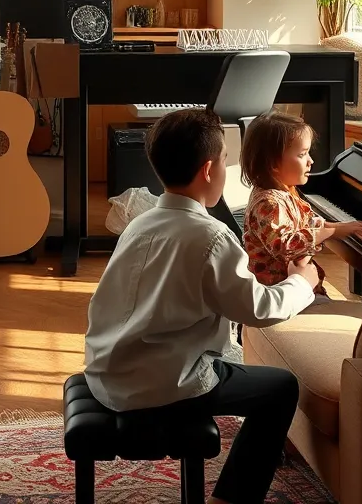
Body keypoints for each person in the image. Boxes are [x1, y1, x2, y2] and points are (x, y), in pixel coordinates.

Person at [84, 108, 319, 504]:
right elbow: (259, 309)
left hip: (107, 371)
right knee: (281, 387)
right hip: (163, 383)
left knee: (234, 361)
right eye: (225, 163)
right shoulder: (212, 236)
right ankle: (231, 499)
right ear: (210, 170)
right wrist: (302, 282)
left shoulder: (138, 222)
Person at [241, 111, 362, 293]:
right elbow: (285, 246)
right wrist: (333, 231)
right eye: (303, 154)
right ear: (273, 164)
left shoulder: (283, 191)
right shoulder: (268, 203)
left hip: (292, 286)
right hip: (279, 294)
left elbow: (304, 223)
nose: (311, 161)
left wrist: (335, 226)